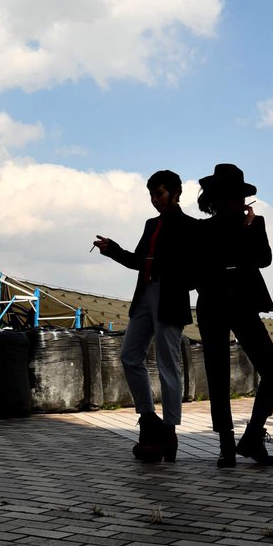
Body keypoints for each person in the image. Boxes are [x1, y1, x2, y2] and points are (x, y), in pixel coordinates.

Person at [93, 170, 196, 463]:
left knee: (168, 364)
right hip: (144, 295)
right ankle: (148, 419)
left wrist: (176, 279)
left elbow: (195, 269)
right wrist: (112, 250)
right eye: (151, 195)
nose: (154, 200)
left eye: (159, 194)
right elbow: (139, 261)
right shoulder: (151, 224)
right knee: (129, 355)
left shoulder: (190, 226)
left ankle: (169, 430)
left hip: (170, 297)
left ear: (175, 193)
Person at [195, 163, 273, 468]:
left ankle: (253, 437)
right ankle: (226, 446)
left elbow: (264, 259)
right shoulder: (202, 229)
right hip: (212, 305)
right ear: (218, 199)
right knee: (217, 374)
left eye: (241, 196)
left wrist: (249, 229)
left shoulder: (253, 225)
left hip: (244, 304)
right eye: (234, 196)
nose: (240, 201)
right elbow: (198, 271)